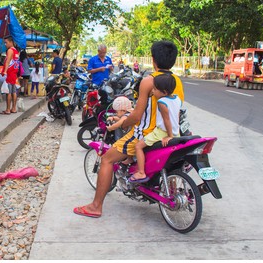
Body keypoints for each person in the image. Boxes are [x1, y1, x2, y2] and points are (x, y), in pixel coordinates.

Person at [73, 40, 185, 218]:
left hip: (147, 133)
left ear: (154, 59)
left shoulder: (149, 80)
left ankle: (96, 206)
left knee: (107, 159)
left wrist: (121, 123)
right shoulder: (176, 81)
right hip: (170, 133)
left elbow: (137, 115)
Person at [131, 74, 181, 182]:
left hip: (162, 132)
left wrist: (169, 136)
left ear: (164, 92)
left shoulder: (161, 102)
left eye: (155, 89)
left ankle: (141, 172)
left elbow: (166, 120)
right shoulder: (177, 99)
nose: (153, 91)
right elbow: (176, 117)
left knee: (138, 146)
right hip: (177, 132)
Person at [1, 36, 20, 114]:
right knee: (14, 91)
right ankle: (14, 108)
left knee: (8, 91)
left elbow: (8, 61)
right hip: (14, 73)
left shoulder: (10, 50)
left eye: (6, 42)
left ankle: (8, 109)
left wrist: (5, 71)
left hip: (9, 73)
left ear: (11, 42)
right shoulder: (16, 51)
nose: (5, 44)